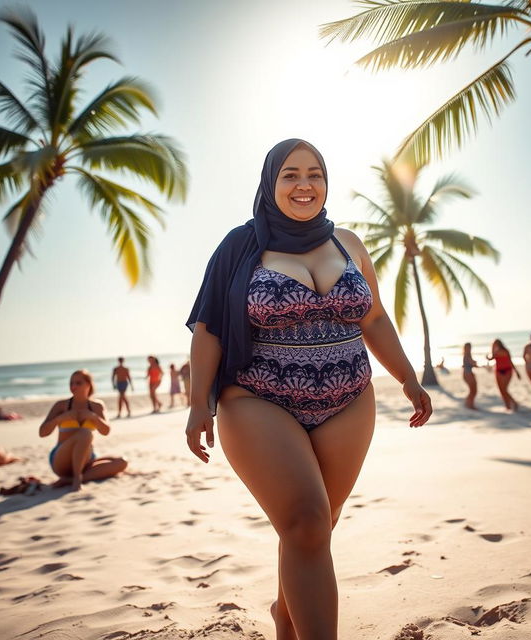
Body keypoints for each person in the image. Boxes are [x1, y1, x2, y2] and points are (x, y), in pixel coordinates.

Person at [184, 139, 433, 639]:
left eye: (314, 174)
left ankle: (286, 614)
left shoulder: (349, 244)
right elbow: (208, 329)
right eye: (291, 175)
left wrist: (407, 375)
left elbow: (375, 317)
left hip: (349, 401)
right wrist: (197, 406)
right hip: (258, 399)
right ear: (271, 183)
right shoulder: (240, 245)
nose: (304, 185)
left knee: (316, 529)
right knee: (304, 524)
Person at [38, 370, 127, 491]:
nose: (73, 386)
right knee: (85, 433)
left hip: (87, 459)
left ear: (88, 384)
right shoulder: (62, 405)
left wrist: (93, 417)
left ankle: (70, 480)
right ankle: (76, 478)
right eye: (71, 383)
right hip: (61, 460)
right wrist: (59, 419)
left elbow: (106, 431)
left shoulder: (96, 406)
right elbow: (42, 433)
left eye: (78, 383)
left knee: (121, 462)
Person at [488, 339, 521, 411]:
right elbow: (490, 359)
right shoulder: (498, 352)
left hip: (507, 370)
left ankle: (513, 403)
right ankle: (508, 405)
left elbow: (510, 361)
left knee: (504, 389)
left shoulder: (502, 351)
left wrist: (516, 371)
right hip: (499, 371)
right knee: (502, 390)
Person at [462, 343, 479, 409]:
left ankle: (469, 404)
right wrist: (475, 363)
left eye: (470, 347)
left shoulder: (467, 355)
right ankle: (469, 404)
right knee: (473, 390)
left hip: (468, 373)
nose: (469, 349)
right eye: (468, 347)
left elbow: (470, 363)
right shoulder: (467, 355)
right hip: (467, 374)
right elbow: (472, 363)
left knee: (473, 390)